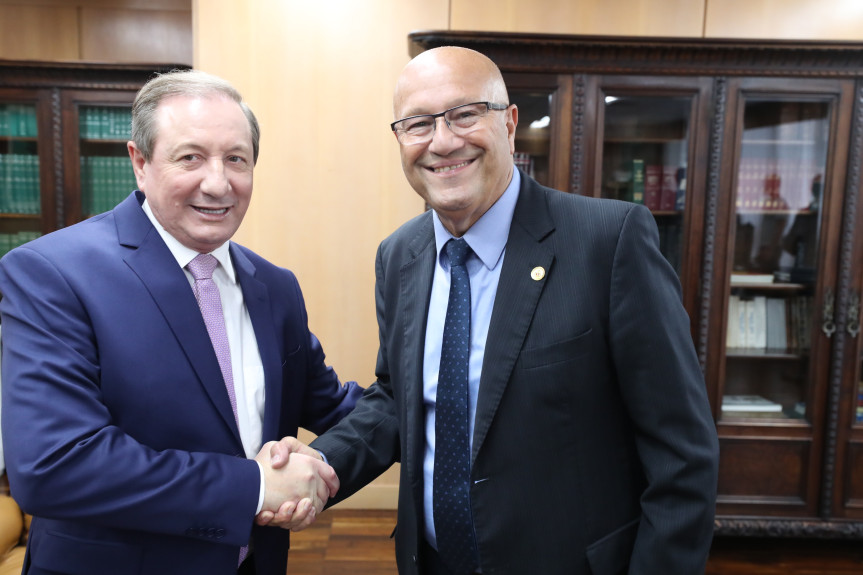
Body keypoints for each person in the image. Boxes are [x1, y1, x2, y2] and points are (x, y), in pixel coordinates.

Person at [269, 46, 720, 574]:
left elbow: (682, 454)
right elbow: (397, 399)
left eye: (465, 114)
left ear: (509, 123)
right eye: (418, 124)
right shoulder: (398, 255)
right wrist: (322, 463)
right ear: (400, 139)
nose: (442, 141)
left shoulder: (608, 241)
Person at [0, 69, 363, 575]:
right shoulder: (52, 273)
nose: (218, 183)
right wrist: (256, 487)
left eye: (236, 159)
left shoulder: (275, 286)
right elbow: (55, 465)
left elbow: (333, 407)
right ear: (140, 162)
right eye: (190, 157)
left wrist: (441, 408)